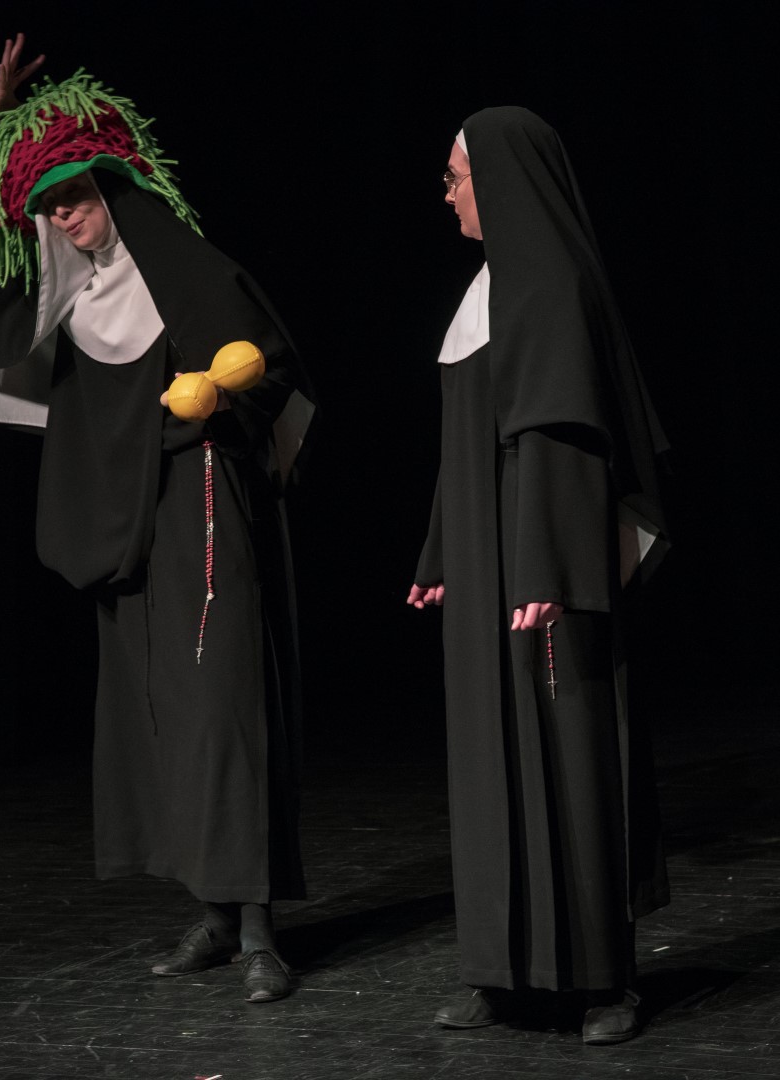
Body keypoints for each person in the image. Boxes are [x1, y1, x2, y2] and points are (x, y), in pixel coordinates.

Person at [0, 35, 315, 1003]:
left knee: (221, 709)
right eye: (50, 207)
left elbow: (269, 364)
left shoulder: (185, 272)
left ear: (114, 189)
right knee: (156, 716)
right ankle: (213, 915)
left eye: (75, 199)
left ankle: (260, 930)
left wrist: (219, 393)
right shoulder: (70, 291)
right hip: (117, 519)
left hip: (199, 505)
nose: (63, 219)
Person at [407, 106, 672, 1045]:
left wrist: (548, 566)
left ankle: (604, 983)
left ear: (501, 180)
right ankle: (500, 971)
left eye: (455, 176)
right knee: (490, 758)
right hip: (490, 565)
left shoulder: (552, 285)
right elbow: (461, 449)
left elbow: (564, 440)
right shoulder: (482, 292)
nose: (447, 193)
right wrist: (442, 556)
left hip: (546, 568)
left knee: (572, 753)